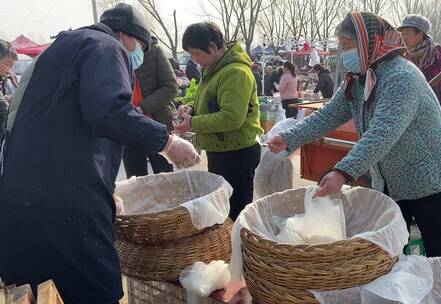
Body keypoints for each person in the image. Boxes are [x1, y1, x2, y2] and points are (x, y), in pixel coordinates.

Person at [0, 4, 199, 303]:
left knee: (37, 290)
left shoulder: (59, 50)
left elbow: (66, 129)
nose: (139, 56)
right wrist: (167, 142)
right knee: (97, 290)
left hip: (21, 200)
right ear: (126, 35)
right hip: (65, 204)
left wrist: (104, 189)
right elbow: (107, 112)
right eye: (141, 47)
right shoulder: (105, 46)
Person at [267, 12, 441, 258]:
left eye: (348, 46)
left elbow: (382, 133)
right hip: (392, 182)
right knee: (391, 250)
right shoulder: (358, 79)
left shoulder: (401, 77)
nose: (343, 53)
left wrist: (342, 171)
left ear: (369, 43)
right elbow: (328, 115)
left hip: (431, 179)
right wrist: (290, 137)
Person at [175, 22, 263, 220]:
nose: (196, 60)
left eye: (197, 54)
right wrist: (191, 107)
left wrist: (193, 123)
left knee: (235, 211)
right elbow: (210, 100)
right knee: (223, 208)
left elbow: (231, 118)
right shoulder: (214, 68)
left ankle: (238, 248)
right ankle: (228, 247)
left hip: (236, 153)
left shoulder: (236, 72)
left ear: (213, 47)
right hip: (221, 149)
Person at [123, 36, 178, 177]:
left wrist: (142, 108)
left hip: (157, 123)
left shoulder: (154, 52)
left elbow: (171, 87)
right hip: (129, 127)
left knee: (165, 177)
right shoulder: (115, 55)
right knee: (135, 180)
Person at [398, 14, 441, 112]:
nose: (403, 38)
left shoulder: (436, 53)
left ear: (420, 34)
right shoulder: (402, 56)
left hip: (435, 109)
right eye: (402, 34)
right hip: (410, 111)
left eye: (407, 33)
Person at [0, 40, 17, 141]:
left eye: (12, 66)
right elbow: (4, 113)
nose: (9, 69)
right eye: (7, 64)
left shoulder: (10, 78)